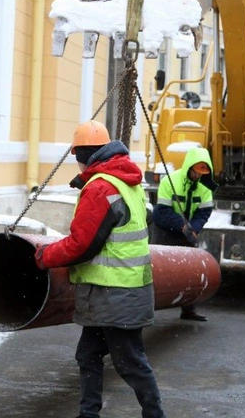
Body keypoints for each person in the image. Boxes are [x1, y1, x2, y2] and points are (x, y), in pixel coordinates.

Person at [34, 120, 166, 418]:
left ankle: (155, 415)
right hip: (119, 290)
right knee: (89, 354)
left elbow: (82, 244)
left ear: (81, 154)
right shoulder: (126, 182)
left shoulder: (100, 187)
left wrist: (44, 256)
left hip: (115, 293)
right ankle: (88, 414)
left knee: (130, 361)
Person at [150, 146, 216, 322]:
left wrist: (193, 228)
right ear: (189, 167)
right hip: (165, 229)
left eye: (201, 173)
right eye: (195, 172)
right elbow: (161, 212)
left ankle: (188, 309)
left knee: (191, 272)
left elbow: (204, 212)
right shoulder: (170, 181)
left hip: (186, 230)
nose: (198, 176)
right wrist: (182, 226)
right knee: (157, 271)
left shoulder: (204, 187)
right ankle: (147, 309)